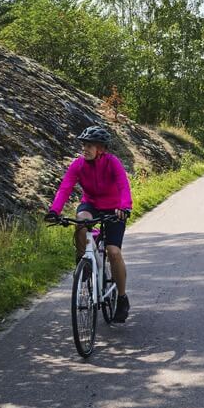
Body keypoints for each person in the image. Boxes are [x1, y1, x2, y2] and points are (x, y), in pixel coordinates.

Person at [46, 126, 133, 323]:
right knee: (80, 223)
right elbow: (65, 188)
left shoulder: (113, 163)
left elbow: (123, 186)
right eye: (84, 145)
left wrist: (124, 207)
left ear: (101, 149)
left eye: (89, 146)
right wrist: (54, 211)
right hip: (91, 205)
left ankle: (121, 298)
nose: (84, 149)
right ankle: (85, 261)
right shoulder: (78, 165)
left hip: (114, 209)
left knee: (114, 252)